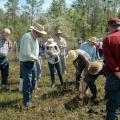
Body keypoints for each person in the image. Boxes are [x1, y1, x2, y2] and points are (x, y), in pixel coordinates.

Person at [19, 23, 47, 107]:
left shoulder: (35, 38)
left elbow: (35, 50)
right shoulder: (27, 37)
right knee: (27, 82)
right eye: (41, 33)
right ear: (36, 31)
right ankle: (26, 102)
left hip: (33, 62)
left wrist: (36, 58)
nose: (42, 35)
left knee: (33, 80)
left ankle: (29, 96)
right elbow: (27, 53)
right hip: (26, 63)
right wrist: (36, 58)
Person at [103, 18, 120, 120]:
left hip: (114, 77)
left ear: (110, 26)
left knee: (112, 106)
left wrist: (118, 74)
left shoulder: (108, 39)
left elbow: (109, 60)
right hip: (115, 75)